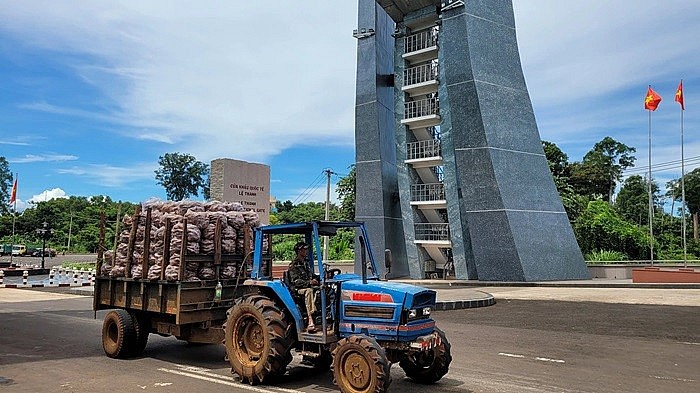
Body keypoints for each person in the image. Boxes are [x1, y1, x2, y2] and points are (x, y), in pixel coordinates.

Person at [288, 241, 319, 332]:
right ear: (299, 251)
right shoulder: (293, 265)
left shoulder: (306, 263)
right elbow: (296, 281)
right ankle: (310, 319)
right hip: (299, 289)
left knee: (324, 290)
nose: (306, 251)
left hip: (308, 285)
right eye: (304, 249)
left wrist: (321, 277)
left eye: (306, 249)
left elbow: (312, 275)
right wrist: (309, 282)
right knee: (309, 291)